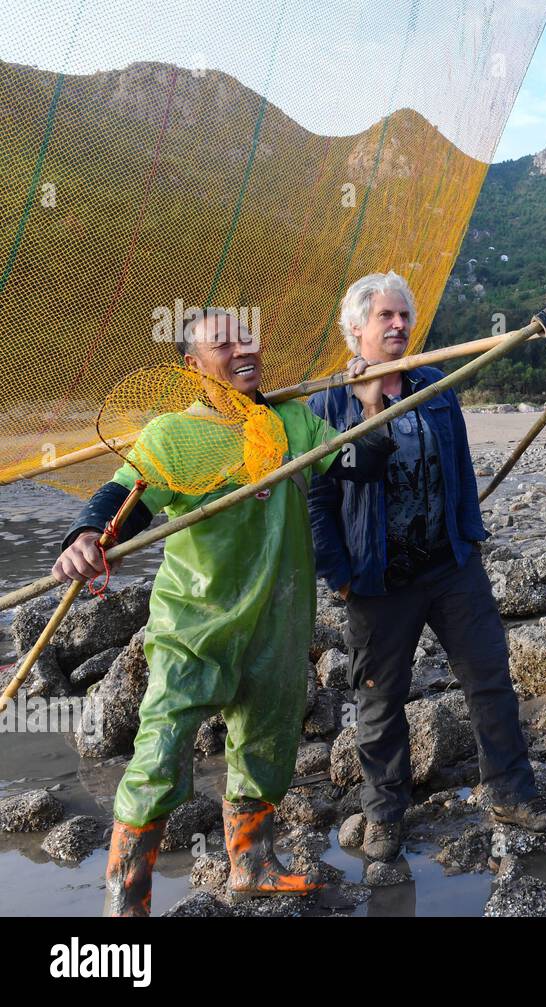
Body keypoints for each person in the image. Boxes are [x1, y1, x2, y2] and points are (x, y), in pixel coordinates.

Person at [52, 310, 394, 916]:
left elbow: (363, 462)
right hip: (195, 623)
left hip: (279, 622)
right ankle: (126, 903)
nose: (244, 350)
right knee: (159, 750)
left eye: (249, 338)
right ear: (192, 366)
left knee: (268, 741)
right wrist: (86, 536)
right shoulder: (173, 435)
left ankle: (252, 864)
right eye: (224, 343)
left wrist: (370, 401)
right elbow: (124, 498)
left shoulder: (291, 422)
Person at [308, 272, 546, 864]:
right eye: (386, 317)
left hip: (451, 566)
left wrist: (468, 535)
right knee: (379, 698)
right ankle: (384, 814)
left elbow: (459, 465)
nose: (399, 326)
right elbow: (320, 498)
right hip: (378, 578)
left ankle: (510, 790)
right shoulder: (327, 403)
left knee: (489, 677)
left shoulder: (435, 385)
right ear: (356, 329)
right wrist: (338, 574)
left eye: (404, 316)